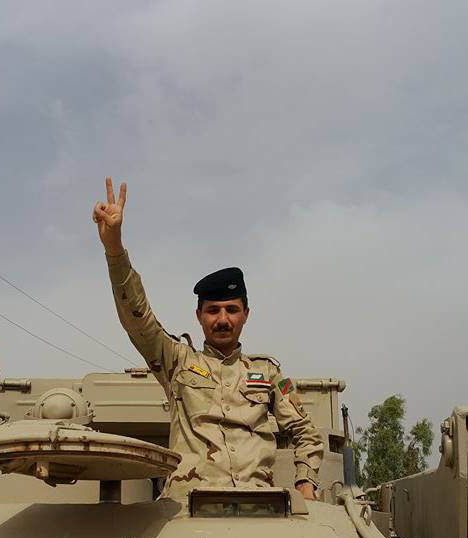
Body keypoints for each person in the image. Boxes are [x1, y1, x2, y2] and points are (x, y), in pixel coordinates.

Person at [93, 178, 323, 501]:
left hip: (258, 506)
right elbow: (138, 319)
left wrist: (306, 482)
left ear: (246, 314)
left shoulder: (267, 373)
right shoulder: (177, 362)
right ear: (199, 316)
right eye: (213, 310)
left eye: (232, 310)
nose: (223, 319)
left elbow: (305, 431)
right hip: (188, 505)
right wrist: (114, 249)